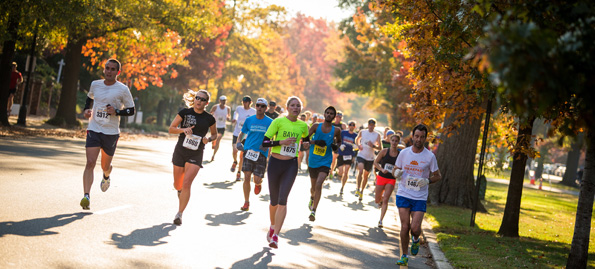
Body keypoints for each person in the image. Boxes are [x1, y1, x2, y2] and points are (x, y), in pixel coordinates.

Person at [80, 59, 135, 210]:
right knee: (90, 162)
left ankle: (106, 175)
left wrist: (117, 111)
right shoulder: (95, 84)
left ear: (118, 72)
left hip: (110, 132)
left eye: (112, 69)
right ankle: (86, 196)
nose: (109, 71)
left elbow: (131, 110)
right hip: (94, 128)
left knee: (105, 165)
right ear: (104, 69)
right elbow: (90, 98)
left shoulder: (123, 89)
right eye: (107, 68)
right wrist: (86, 110)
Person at [261, 96, 309, 249]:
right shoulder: (278, 122)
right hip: (275, 163)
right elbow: (265, 142)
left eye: (298, 106)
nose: (295, 108)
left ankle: (275, 236)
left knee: (283, 199)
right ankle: (272, 225)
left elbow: (305, 142)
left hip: (291, 164)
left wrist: (306, 145)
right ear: (288, 108)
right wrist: (281, 142)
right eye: (293, 105)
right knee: (274, 201)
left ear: (300, 109)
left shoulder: (303, 126)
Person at [393, 124, 441, 266]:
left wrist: (426, 180)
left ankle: (415, 239)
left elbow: (438, 176)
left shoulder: (429, 156)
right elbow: (395, 169)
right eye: (416, 136)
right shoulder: (404, 153)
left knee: (415, 228)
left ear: (425, 139)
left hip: (419, 197)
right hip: (403, 193)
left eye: (422, 137)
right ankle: (404, 255)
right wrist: (396, 173)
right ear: (412, 136)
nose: (419, 139)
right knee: (405, 226)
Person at [168, 89, 218, 225]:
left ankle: (179, 214)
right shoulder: (185, 113)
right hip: (180, 150)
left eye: (202, 99)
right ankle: (179, 191)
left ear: (206, 103)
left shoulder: (209, 118)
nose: (199, 101)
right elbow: (171, 128)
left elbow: (215, 134)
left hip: (196, 152)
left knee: (187, 183)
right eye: (197, 98)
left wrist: (209, 139)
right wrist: (183, 130)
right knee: (178, 184)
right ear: (194, 99)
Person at [236, 98, 273, 211]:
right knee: (246, 177)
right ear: (255, 106)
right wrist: (238, 142)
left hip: (262, 153)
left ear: (266, 108)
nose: (260, 108)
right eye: (258, 105)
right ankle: (246, 202)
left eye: (262, 106)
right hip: (248, 151)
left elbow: (273, 138)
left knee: (256, 179)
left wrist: (268, 149)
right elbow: (242, 132)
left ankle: (258, 183)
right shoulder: (249, 120)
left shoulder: (270, 122)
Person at [306, 106, 342, 221]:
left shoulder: (336, 130)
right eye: (327, 113)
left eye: (332, 113)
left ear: (334, 116)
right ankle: (312, 197)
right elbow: (305, 139)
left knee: (319, 183)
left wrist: (336, 146)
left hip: (326, 161)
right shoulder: (316, 126)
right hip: (313, 160)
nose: (329, 115)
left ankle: (314, 211)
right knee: (313, 187)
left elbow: (340, 141)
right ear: (324, 114)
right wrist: (315, 141)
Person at [373, 133, 400, 228]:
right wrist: (381, 169)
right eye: (393, 140)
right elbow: (375, 162)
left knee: (386, 199)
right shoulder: (384, 151)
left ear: (398, 142)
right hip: (381, 177)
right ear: (390, 141)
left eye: (396, 141)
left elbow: (402, 167)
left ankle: (380, 220)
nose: (394, 142)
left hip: (391, 179)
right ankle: (379, 201)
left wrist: (397, 171)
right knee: (377, 200)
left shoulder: (400, 154)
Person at [354, 118, 382, 201]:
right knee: (361, 170)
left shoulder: (377, 135)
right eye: (370, 125)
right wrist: (358, 145)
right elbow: (357, 139)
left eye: (372, 125)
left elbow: (380, 148)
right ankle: (358, 189)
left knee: (366, 175)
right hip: (361, 155)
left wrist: (373, 146)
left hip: (370, 158)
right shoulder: (362, 132)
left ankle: (362, 191)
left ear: (374, 126)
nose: (371, 127)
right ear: (368, 125)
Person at [231, 96, 256, 180]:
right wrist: (234, 119)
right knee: (234, 151)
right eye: (243, 102)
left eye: (246, 102)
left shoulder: (253, 111)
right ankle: (235, 161)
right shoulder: (239, 108)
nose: (245, 104)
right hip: (236, 134)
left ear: (250, 102)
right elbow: (235, 114)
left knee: (242, 155)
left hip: (246, 136)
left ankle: (238, 172)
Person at [337, 120, 358, 195]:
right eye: (350, 125)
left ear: (355, 127)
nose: (351, 126)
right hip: (341, 153)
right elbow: (337, 140)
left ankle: (342, 187)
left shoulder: (356, 136)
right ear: (348, 126)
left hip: (349, 155)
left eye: (353, 125)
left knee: (346, 171)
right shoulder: (343, 133)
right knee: (340, 171)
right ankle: (338, 174)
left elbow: (358, 146)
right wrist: (340, 145)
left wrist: (356, 148)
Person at [208, 95, 231, 162]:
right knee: (214, 139)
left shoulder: (228, 108)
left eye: (224, 101)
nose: (223, 102)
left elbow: (229, 116)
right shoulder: (215, 107)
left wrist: (228, 118)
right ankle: (213, 143)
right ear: (220, 101)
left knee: (218, 139)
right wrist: (211, 116)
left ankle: (213, 155)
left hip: (222, 127)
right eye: (222, 101)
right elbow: (210, 113)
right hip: (215, 126)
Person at [329, 111, 347, 179]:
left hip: (338, 143)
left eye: (340, 117)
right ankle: (328, 170)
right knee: (329, 157)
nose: (338, 118)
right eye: (337, 117)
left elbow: (345, 135)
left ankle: (331, 171)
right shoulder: (331, 123)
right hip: (330, 142)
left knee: (334, 158)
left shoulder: (343, 125)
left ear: (341, 118)